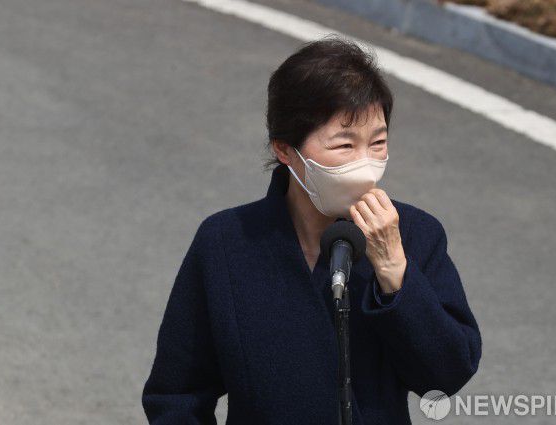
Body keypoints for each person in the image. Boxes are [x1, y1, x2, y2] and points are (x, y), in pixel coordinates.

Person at [142, 35, 482, 425]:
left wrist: (394, 270)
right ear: (285, 149)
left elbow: (447, 375)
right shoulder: (226, 242)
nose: (364, 164)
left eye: (377, 143)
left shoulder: (416, 235)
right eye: (344, 146)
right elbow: (177, 394)